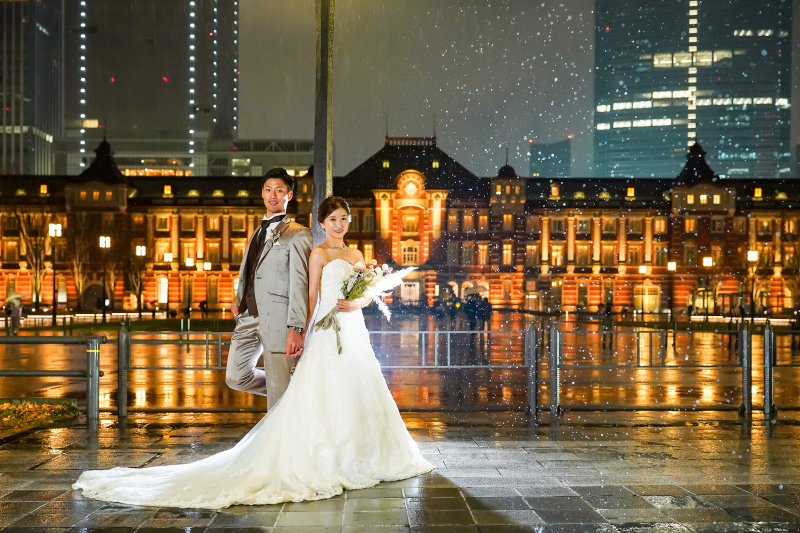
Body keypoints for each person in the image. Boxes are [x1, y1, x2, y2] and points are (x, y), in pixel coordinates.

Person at [72, 196, 433, 508]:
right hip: (325, 328)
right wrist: (302, 333)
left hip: (353, 327)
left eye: (344, 219)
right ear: (322, 223)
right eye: (332, 219)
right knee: (322, 388)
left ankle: (361, 452)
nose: (339, 225)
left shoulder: (356, 254)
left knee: (358, 385)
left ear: (349, 222)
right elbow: (310, 297)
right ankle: (325, 453)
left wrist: (358, 303)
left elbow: (367, 293)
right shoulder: (318, 253)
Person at [226, 167, 312, 409]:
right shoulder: (257, 231)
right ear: (262, 193)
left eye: (279, 190)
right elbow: (251, 270)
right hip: (248, 316)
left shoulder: (298, 234)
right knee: (236, 377)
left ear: (289, 195)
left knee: (277, 401)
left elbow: (300, 283)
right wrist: (238, 299)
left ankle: (284, 395)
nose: (273, 195)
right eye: (268, 190)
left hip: (279, 320)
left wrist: (296, 327)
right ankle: (294, 391)